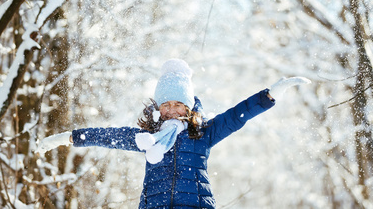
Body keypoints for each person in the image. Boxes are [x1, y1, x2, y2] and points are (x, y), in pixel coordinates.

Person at [67, 59, 309, 209]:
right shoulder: (148, 138)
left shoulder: (203, 134)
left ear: (188, 107)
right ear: (158, 108)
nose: (172, 110)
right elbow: (110, 136)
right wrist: (73, 137)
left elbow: (236, 116)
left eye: (178, 104)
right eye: (166, 104)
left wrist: (268, 97)